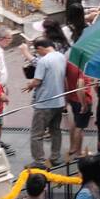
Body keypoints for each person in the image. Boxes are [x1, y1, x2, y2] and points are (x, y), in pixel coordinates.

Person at [24, 37, 66, 169]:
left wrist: (30, 84)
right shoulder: (61, 56)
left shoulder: (44, 61)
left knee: (37, 134)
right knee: (56, 130)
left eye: (37, 51)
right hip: (59, 101)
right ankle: (56, 157)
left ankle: (39, 161)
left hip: (44, 102)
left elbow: (37, 81)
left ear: (41, 48)